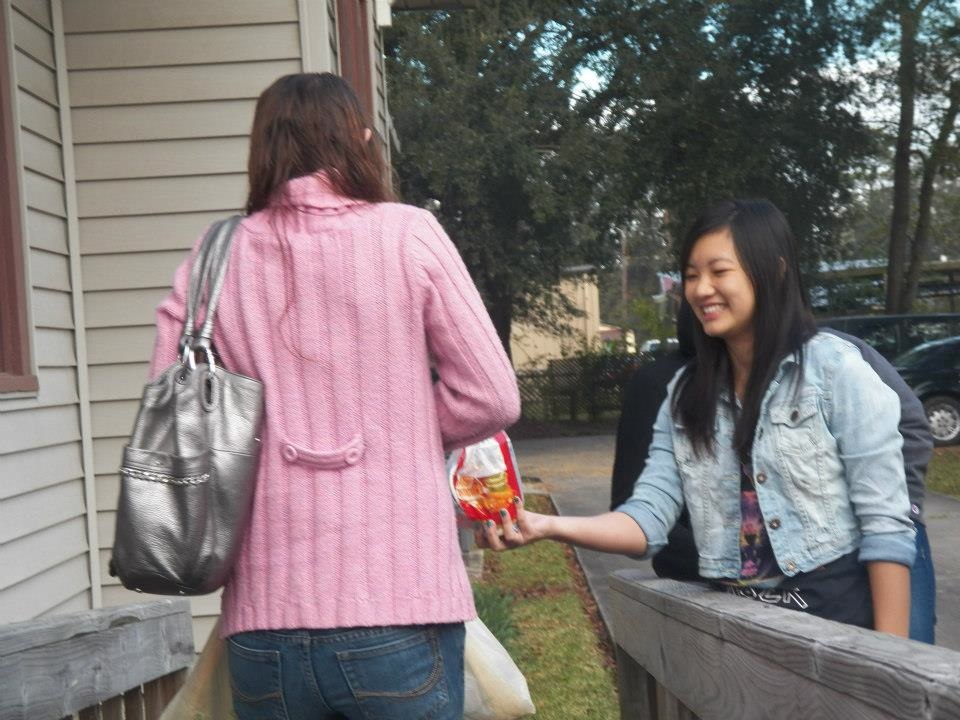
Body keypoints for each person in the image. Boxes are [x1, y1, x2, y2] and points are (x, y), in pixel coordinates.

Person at [149, 73, 520, 719]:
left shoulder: (214, 256)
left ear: (263, 148)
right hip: (401, 604)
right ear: (362, 141)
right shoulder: (409, 234)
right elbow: (491, 395)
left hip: (264, 622)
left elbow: (172, 409)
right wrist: (403, 426)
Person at [481, 198, 916, 635]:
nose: (701, 289)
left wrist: (890, 654)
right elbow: (647, 518)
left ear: (775, 271)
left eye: (719, 271)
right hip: (740, 630)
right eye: (691, 276)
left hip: (836, 624)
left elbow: (886, 525)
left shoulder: (835, 371)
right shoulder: (686, 395)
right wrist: (546, 525)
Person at [610, 307, 937, 640]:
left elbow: (911, 426)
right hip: (724, 577)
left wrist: (900, 511)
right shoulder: (671, 386)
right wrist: (732, 558)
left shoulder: (828, 358)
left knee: (908, 647)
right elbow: (637, 501)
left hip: (871, 539)